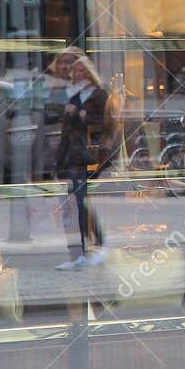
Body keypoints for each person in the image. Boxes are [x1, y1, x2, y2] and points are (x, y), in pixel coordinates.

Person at [53, 49, 111, 270]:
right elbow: (66, 132)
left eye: (82, 70)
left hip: (89, 156)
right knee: (77, 204)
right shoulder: (75, 95)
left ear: (89, 72)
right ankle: (83, 251)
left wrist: (81, 115)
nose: (78, 74)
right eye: (76, 71)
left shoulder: (98, 94)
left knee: (81, 202)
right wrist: (59, 159)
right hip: (73, 156)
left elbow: (107, 124)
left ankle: (93, 248)